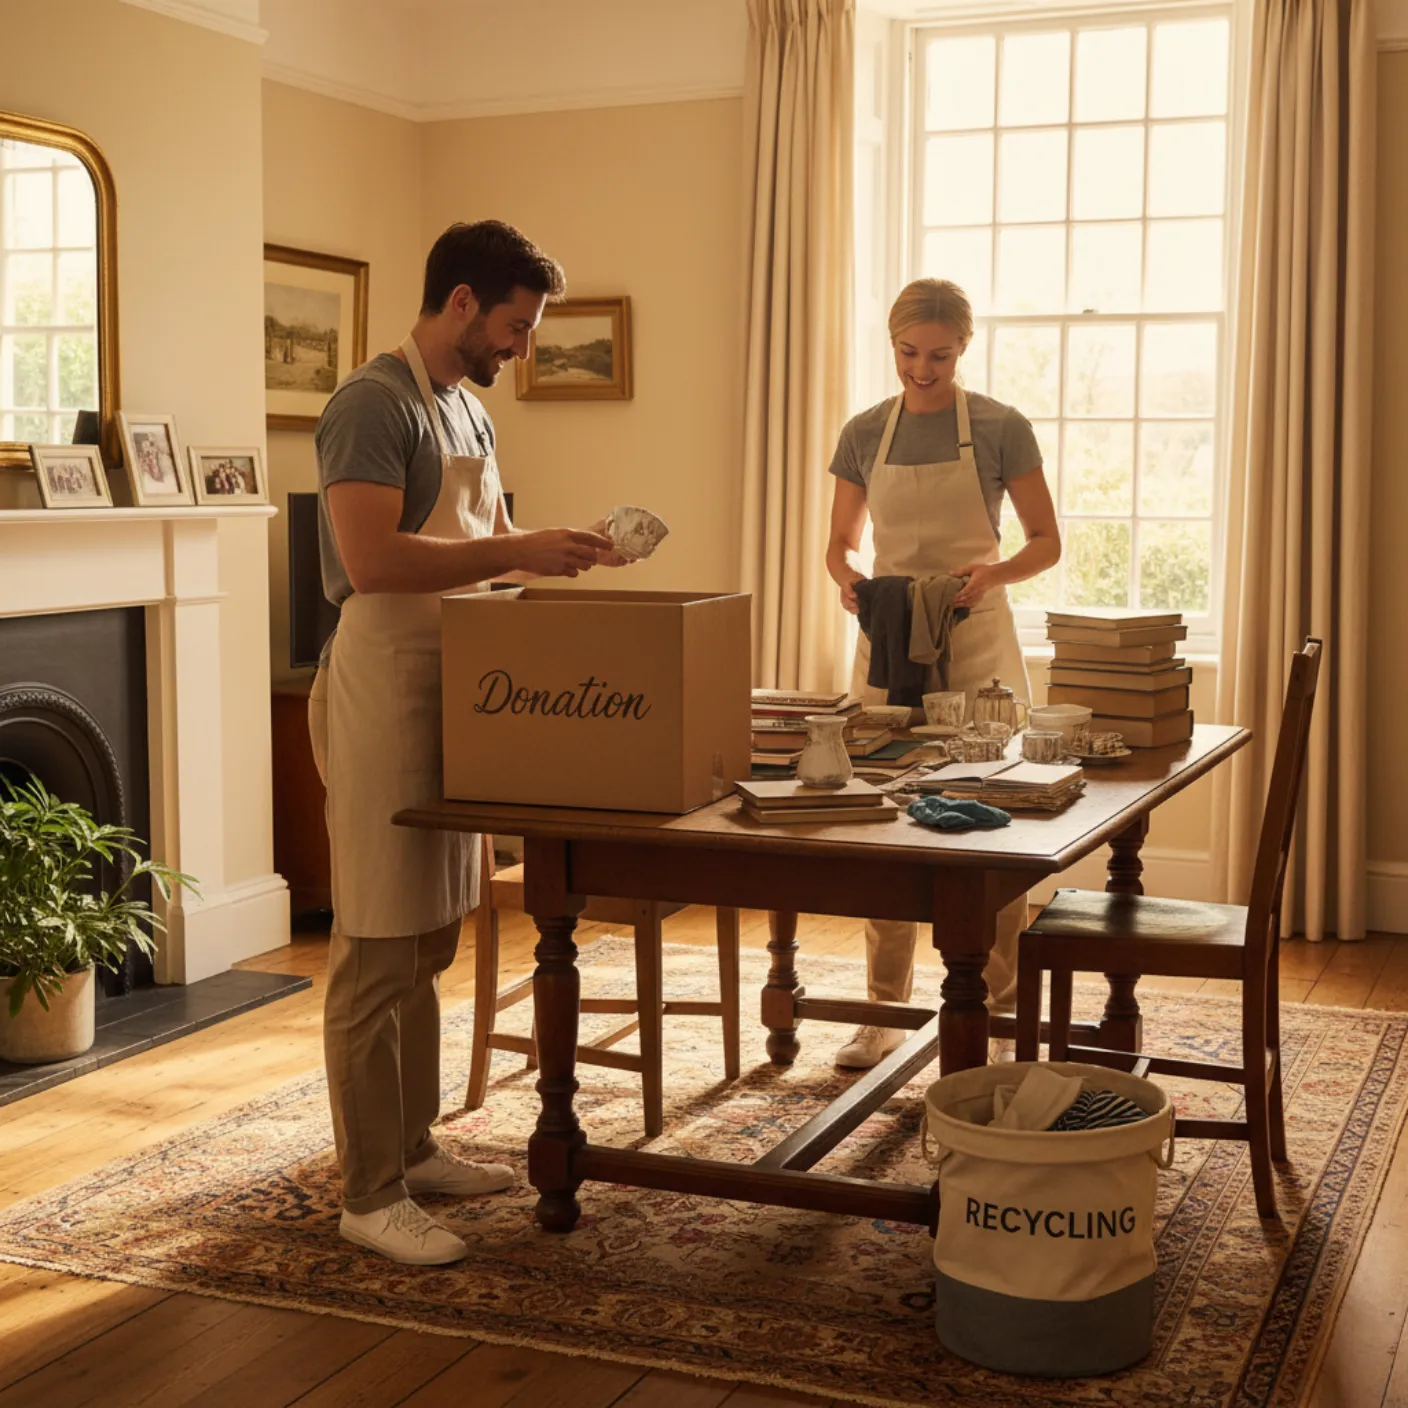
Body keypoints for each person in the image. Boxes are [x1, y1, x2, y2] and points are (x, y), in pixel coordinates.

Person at [308, 220, 621, 1265]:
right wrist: (519, 545)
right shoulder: (371, 404)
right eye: (514, 325)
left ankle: (412, 1146)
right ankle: (366, 1191)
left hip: (456, 690)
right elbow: (373, 561)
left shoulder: (470, 413)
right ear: (460, 304)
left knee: (435, 937)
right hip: (384, 688)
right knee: (377, 945)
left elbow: (473, 556)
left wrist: (545, 566)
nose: (521, 347)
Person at [824, 278, 1062, 1069]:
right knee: (881, 817)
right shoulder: (865, 431)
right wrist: (850, 580)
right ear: (891, 344)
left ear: (964, 349)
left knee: (991, 822)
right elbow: (839, 543)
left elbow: (1044, 542)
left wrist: (989, 577)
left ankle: (997, 1013)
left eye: (939, 355)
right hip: (887, 638)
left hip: (977, 639)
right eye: (907, 353)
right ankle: (881, 1010)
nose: (921, 369)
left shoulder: (1000, 427)